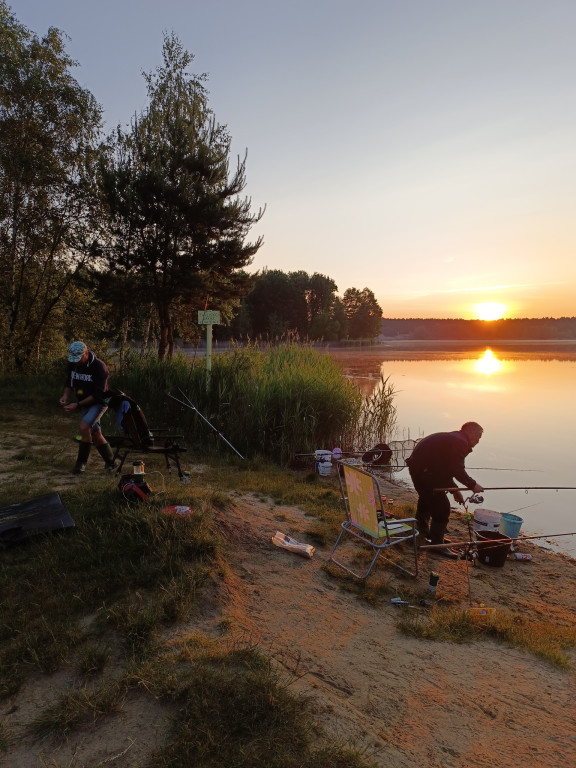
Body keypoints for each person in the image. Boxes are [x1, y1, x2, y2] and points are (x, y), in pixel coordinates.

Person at [406, 422, 485, 559]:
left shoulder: (455, 439)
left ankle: (425, 532)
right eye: (478, 437)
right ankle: (436, 544)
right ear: (471, 433)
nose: (478, 442)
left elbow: (446, 469)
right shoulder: (460, 442)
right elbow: (456, 469)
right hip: (424, 471)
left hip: (423, 468)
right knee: (442, 507)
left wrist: (455, 491)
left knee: (427, 498)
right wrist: (472, 485)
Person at [59, 341, 118, 474]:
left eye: (78, 359)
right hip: (83, 402)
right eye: (73, 359)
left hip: (99, 402)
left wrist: (77, 405)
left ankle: (80, 464)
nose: (76, 362)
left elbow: (99, 395)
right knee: (96, 434)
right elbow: (70, 382)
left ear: (86, 353)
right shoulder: (73, 364)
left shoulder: (99, 367)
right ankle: (111, 462)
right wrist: (65, 396)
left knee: (84, 427)